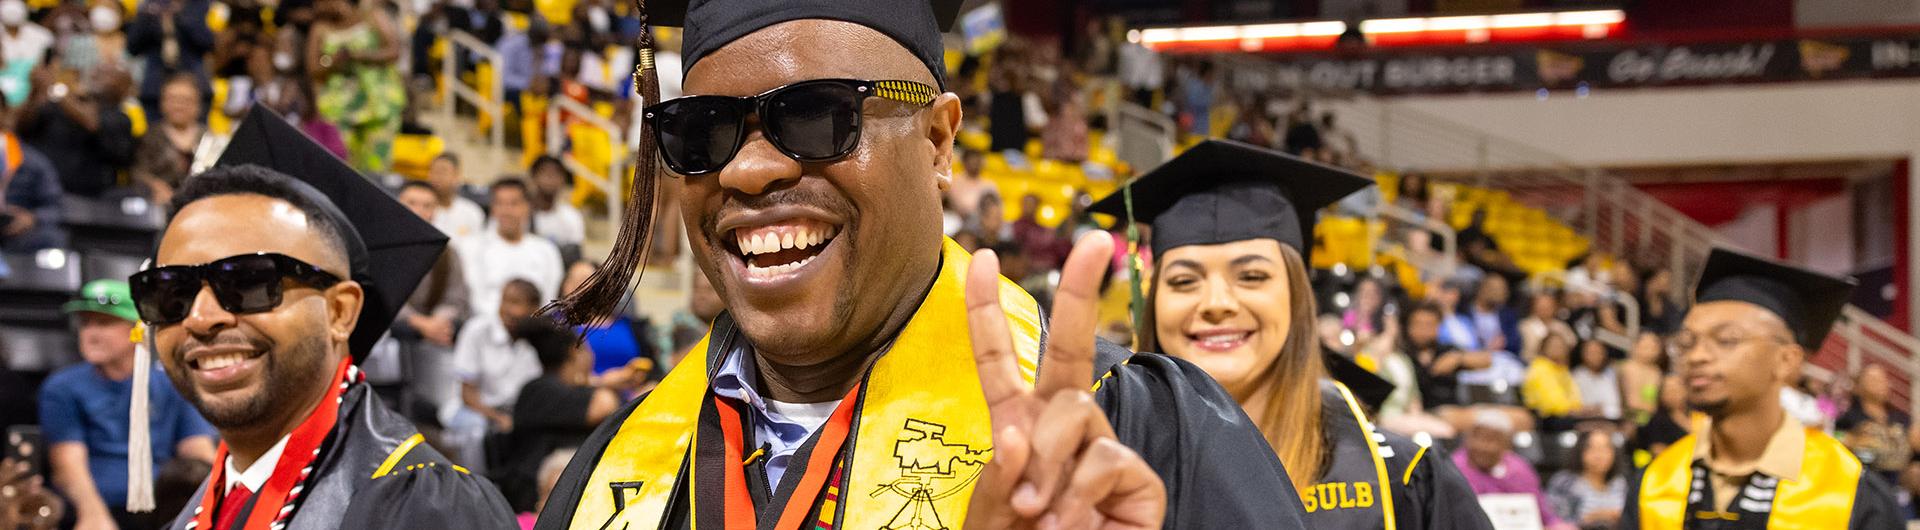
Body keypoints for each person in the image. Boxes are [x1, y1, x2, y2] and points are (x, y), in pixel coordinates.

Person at [536, 2, 1309, 527]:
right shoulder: (619, 468)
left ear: (939, 142)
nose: (745, 172)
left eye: (816, 116)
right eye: (701, 133)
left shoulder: (1131, 436)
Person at [133, 107, 515, 528]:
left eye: (248, 282)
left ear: (340, 311)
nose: (201, 318)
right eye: (171, 292)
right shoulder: (197, 513)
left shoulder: (425, 506)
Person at [1089, 139, 1494, 529]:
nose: (1215, 302)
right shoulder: (1099, 471)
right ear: (1153, 304)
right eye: (1182, 281)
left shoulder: (1404, 482)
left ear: (1297, 300)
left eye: (1251, 276)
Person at [1622, 248, 1902, 529]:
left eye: (1727, 339)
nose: (1696, 356)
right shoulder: (1656, 483)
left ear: (1786, 360)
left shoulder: (1848, 491)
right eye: (1686, 342)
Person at [40, 280, 217, 530]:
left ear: (137, 329)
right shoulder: (62, 387)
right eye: (86, 323)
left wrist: (221, 500)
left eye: (104, 323)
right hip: (94, 505)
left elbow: (197, 451)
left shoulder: (173, 383)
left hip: (161, 507)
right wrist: (93, 514)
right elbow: (68, 464)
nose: (91, 333)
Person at [498, 317, 640, 512]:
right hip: (535, 501)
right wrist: (603, 381)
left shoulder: (547, 389)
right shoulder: (539, 390)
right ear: (575, 352)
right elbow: (604, 404)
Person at [393, 180, 471, 412]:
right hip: (389, 336)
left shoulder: (448, 253)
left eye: (427, 205)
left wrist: (437, 322)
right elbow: (379, 294)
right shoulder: (383, 246)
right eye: (412, 203)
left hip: (434, 338)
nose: (420, 211)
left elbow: (456, 298)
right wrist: (419, 323)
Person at [307, 0, 403, 173]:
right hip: (338, 109)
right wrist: (333, 62)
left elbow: (394, 50)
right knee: (339, 165)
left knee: (376, 167)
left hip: (377, 105)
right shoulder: (320, 27)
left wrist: (358, 55)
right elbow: (313, 68)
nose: (320, 6)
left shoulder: (372, 16)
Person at [18, 64, 136, 198]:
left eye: (108, 74)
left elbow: (92, 122)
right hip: (40, 190)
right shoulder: (63, 105)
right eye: (97, 70)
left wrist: (56, 88)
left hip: (87, 198)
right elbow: (22, 124)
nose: (97, 74)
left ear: (124, 88)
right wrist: (35, 91)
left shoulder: (120, 118)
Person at [451, 279, 544, 445]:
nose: (508, 310)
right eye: (505, 301)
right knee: (475, 429)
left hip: (520, 412)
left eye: (516, 303)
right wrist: (498, 418)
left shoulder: (539, 336)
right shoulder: (477, 330)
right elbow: (468, 394)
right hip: (478, 411)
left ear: (534, 310)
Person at [1454, 410, 1577, 530]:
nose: (1483, 446)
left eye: (1491, 440)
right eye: (1478, 438)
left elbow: (1543, 512)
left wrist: (1556, 525)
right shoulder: (1454, 469)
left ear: (1506, 444)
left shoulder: (1520, 469)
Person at [459, 178, 563, 318]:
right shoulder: (471, 247)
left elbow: (549, 297)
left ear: (528, 207)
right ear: (492, 208)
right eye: (500, 204)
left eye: (514, 204)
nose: (506, 211)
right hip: (486, 324)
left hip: (534, 327)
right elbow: (475, 298)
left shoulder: (547, 250)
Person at [132, 75, 212, 203]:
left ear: (198, 105)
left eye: (186, 100)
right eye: (173, 99)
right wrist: (155, 186)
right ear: (162, 102)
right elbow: (138, 172)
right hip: (159, 204)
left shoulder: (210, 137)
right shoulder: (150, 136)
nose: (179, 105)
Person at [1835, 363, 1918, 484]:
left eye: (1882, 379)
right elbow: (1833, 435)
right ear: (1858, 386)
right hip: (1867, 475)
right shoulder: (1849, 416)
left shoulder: (1900, 418)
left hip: (1901, 477)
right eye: (1873, 379)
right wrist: (1850, 439)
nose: (1879, 383)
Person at [0, 101, 66, 252]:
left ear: (5, 114)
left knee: (50, 238)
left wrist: (32, 218)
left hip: (15, 233)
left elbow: (56, 207)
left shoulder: (33, 162)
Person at [126, 0, 212, 115]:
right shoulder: (149, 5)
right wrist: (149, 18)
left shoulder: (200, 4)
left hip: (194, 84)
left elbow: (207, 43)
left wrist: (181, 16)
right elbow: (133, 47)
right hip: (155, 89)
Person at [1545, 429, 1626, 530]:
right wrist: (1593, 518)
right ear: (1580, 451)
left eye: (1606, 448)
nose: (1600, 455)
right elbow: (1554, 521)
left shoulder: (1619, 483)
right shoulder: (1565, 482)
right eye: (1592, 448)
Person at [1522, 325, 1581, 424]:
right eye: (1553, 346)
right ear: (1543, 348)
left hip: (1567, 416)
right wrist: (1575, 410)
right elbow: (1552, 404)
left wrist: (1580, 409)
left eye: (1561, 346)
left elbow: (1576, 398)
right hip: (1546, 420)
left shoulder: (1563, 370)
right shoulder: (1539, 368)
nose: (1557, 349)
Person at [426, 152, 487, 240]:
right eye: (434, 171)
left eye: (443, 171)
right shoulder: (421, 210)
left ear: (457, 176)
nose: (437, 177)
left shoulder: (472, 212)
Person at [527, 155, 585, 248]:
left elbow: (575, 254)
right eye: (545, 173)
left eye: (556, 174)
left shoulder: (571, 216)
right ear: (533, 177)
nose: (550, 178)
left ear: (563, 180)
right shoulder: (520, 213)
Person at [1633, 374, 1691, 462]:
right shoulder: (1656, 421)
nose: (1673, 395)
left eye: (1676, 390)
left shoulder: (1697, 414)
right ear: (1661, 395)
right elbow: (1657, 450)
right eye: (1669, 391)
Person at [1570, 338, 1622, 421]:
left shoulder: (1612, 374)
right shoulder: (1576, 376)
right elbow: (1574, 408)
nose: (1595, 356)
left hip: (1612, 421)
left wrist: (1603, 410)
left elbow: (1617, 408)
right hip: (1586, 422)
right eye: (1591, 352)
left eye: (1598, 352)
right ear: (1583, 354)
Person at [1619, 331, 1665, 425]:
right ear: (1635, 347)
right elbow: (1632, 403)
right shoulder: (1629, 368)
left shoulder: (1657, 371)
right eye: (1646, 347)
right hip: (1631, 422)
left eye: (1654, 348)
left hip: (1654, 421)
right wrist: (1656, 409)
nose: (1651, 351)